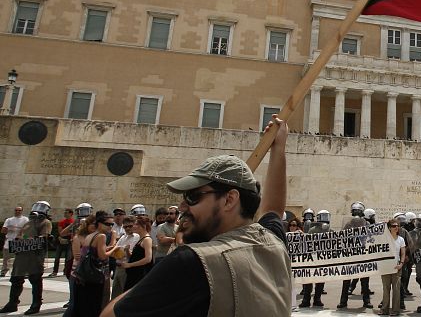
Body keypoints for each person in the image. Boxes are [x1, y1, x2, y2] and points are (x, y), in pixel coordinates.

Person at [100, 114, 291, 317]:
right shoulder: (273, 241)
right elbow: (273, 210)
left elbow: (109, 315)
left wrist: (155, 280)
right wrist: (278, 148)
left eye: (193, 196)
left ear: (229, 200)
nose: (183, 206)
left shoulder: (191, 261)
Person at [0, 201, 51, 315]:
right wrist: (19, 240)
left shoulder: (46, 222)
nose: (38, 209)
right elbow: (20, 235)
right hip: (22, 254)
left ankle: (36, 304)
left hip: (35, 255)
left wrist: (28, 239)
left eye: (41, 207)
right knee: (16, 279)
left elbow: (44, 237)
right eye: (36, 206)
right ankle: (12, 303)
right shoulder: (28, 222)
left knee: (35, 279)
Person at [72, 213, 114, 317]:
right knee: (95, 305)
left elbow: (91, 252)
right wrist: (114, 249)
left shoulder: (90, 235)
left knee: (84, 305)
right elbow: (102, 256)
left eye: (112, 224)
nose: (110, 226)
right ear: (99, 224)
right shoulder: (101, 236)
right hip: (95, 276)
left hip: (84, 275)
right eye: (107, 224)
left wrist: (107, 249)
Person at [338, 201, 372, 309]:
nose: (356, 213)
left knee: (364, 280)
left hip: (362, 254)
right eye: (355, 211)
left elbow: (371, 238)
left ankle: (366, 301)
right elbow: (342, 237)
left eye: (358, 211)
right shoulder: (349, 224)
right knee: (347, 279)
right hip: (350, 254)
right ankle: (343, 301)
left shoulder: (367, 224)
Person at [300, 209, 329, 308]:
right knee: (309, 279)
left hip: (323, 257)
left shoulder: (328, 229)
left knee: (320, 280)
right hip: (312, 257)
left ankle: (317, 299)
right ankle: (306, 299)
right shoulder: (313, 229)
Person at [109, 216, 140, 299]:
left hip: (128, 268)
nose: (128, 228)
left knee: (125, 294)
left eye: (130, 226)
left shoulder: (137, 237)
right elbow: (115, 250)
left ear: (134, 225)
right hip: (118, 267)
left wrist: (124, 251)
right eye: (125, 226)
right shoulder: (123, 237)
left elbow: (131, 255)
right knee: (115, 294)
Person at [380, 220, 406, 316]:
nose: (396, 227)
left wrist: (401, 264)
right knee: (386, 289)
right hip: (385, 268)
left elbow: (403, 253)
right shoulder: (384, 239)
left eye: (397, 226)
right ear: (389, 228)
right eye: (394, 226)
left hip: (396, 268)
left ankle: (395, 310)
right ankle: (384, 309)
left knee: (396, 290)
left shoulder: (401, 239)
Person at [1, 206, 28, 277]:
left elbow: (27, 230)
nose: (17, 211)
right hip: (10, 240)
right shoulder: (9, 220)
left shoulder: (25, 219)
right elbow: (3, 230)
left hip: (20, 241)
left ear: (22, 211)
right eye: (16, 210)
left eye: (19, 210)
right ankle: (4, 271)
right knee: (6, 257)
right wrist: (9, 229)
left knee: (21, 257)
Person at [50, 208, 75, 277]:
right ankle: (55, 271)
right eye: (65, 212)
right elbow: (60, 232)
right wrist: (62, 237)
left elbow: (73, 232)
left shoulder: (73, 222)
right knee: (57, 257)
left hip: (69, 241)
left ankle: (65, 271)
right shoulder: (61, 222)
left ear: (71, 214)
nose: (65, 214)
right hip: (61, 241)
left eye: (67, 212)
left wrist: (67, 236)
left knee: (68, 257)